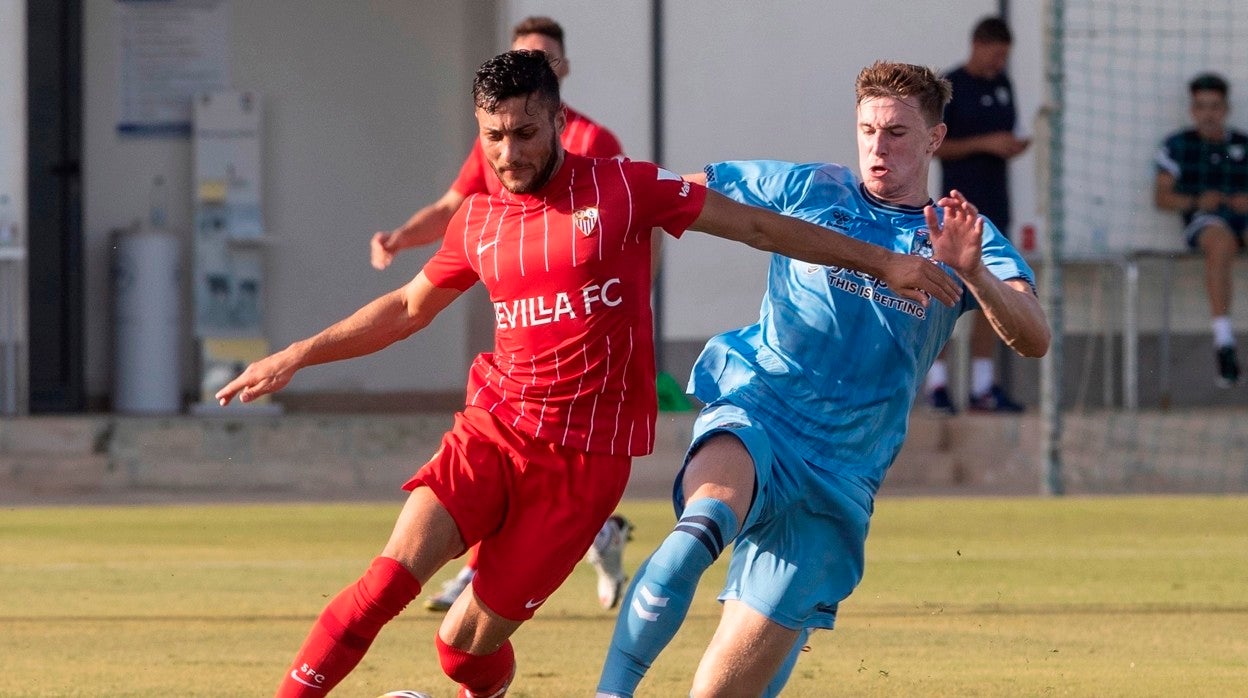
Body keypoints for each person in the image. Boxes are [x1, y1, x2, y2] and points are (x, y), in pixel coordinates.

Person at [217, 50, 961, 698]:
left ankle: (483, 687)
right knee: (383, 584)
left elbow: (759, 226)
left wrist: (884, 260)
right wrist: (297, 354)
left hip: (582, 467)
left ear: (557, 123)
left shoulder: (625, 189)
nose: (508, 154)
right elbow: (408, 307)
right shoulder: (478, 219)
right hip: (493, 432)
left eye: (524, 134)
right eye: (493, 137)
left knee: (463, 647)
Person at [595, 60, 1049, 697]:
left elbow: (1033, 336)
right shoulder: (811, 189)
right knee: (696, 533)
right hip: (761, 412)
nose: (877, 147)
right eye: (867, 130)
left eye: (895, 132)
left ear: (935, 139)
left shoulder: (962, 236)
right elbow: (677, 194)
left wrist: (975, 274)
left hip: (841, 474)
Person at [370, 16, 634, 614]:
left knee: (540, 473)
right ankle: (537, 554)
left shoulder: (593, 144)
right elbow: (452, 205)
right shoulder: (496, 138)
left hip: (583, 349)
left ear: (560, 72)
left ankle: (517, 564)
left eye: (544, 55)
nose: (509, 151)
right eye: (523, 54)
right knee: (498, 449)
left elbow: (634, 227)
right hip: (520, 326)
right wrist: (401, 239)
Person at [924, 16, 1031, 413]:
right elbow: (936, 148)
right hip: (955, 207)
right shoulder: (949, 89)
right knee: (945, 294)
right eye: (995, 54)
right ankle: (937, 385)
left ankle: (983, 386)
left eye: (1005, 57)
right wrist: (987, 143)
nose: (998, 63)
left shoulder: (1003, 85)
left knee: (994, 291)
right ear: (977, 45)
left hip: (995, 207)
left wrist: (1012, 146)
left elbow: (1006, 132)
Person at [1154, 72, 1248, 387]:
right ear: (1192, 110)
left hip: (1241, 219)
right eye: (1201, 106)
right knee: (1220, 243)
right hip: (1204, 221)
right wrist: (1197, 200)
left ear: (1226, 109)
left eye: (1215, 106)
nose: (1208, 114)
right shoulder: (1177, 145)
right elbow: (1162, 196)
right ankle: (1224, 342)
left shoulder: (1242, 145)